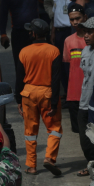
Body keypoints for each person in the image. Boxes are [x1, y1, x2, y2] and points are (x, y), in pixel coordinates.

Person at [18, 19, 63, 175]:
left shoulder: (24, 52)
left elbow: (19, 78)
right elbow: (56, 79)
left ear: (34, 34)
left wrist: (18, 101)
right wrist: (55, 101)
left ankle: (31, 166)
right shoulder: (54, 51)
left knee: (30, 131)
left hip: (28, 94)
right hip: (47, 93)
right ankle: (49, 158)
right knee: (54, 129)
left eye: (31, 30)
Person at [0, 0, 42, 101]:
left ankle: (36, 89)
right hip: (18, 34)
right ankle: (20, 94)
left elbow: (48, 2)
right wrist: (3, 34)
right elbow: (3, 15)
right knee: (20, 64)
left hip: (35, 33)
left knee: (36, 62)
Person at [77, 17, 94, 162]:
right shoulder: (85, 51)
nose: (85, 35)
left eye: (89, 32)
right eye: (84, 32)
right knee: (85, 141)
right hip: (84, 103)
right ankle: (92, 166)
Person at [63, 6, 88, 139]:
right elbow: (67, 67)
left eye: (78, 18)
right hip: (74, 94)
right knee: (80, 131)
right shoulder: (68, 41)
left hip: (90, 92)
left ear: (85, 17)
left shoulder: (92, 38)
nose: (75, 22)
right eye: (72, 19)